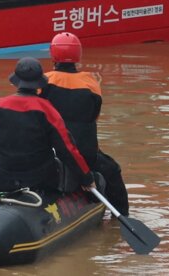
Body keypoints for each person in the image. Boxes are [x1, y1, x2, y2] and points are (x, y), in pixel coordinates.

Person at [41, 33, 131, 214]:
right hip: (85, 154)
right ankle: (121, 214)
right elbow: (93, 116)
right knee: (112, 171)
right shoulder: (91, 83)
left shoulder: (42, 81)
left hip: (48, 151)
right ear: (78, 55)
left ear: (53, 55)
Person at [0, 59, 89, 200]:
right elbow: (66, 149)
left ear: (17, 80)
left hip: (3, 177)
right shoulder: (47, 109)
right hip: (38, 180)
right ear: (38, 83)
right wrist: (86, 177)